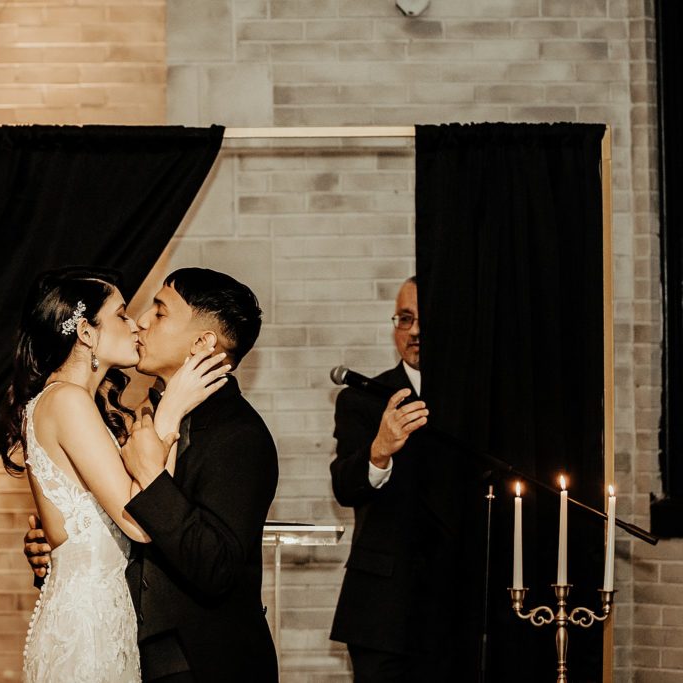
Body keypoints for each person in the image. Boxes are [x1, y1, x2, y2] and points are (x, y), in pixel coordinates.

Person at [25, 267, 280, 682]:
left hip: (202, 666)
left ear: (202, 343)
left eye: (159, 312)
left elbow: (215, 568)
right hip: (120, 652)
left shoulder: (240, 436)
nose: (142, 321)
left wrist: (152, 476)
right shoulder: (136, 414)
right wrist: (59, 548)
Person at [329, 276, 464, 683]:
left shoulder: (473, 399)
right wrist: (380, 449)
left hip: (459, 604)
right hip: (382, 610)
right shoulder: (363, 398)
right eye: (405, 319)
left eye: (426, 319)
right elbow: (344, 486)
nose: (415, 331)